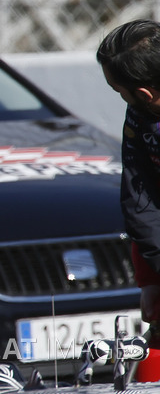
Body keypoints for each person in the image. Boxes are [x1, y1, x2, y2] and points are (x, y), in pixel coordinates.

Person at [97, 19, 160, 334]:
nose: (120, 98)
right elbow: (140, 198)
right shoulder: (139, 115)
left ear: (145, 93)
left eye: (118, 91)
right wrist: (150, 280)